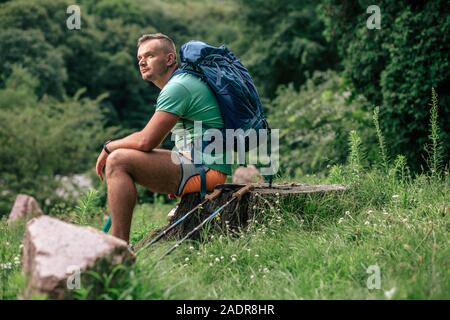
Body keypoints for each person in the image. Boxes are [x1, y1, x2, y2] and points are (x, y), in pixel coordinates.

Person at [95, 33, 231, 243]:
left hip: (206, 170)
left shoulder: (178, 87)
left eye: (149, 55)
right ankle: (118, 244)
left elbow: (146, 141)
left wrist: (108, 147)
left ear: (169, 59)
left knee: (118, 160)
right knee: (122, 157)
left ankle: (118, 246)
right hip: (203, 165)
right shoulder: (183, 82)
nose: (142, 61)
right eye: (140, 57)